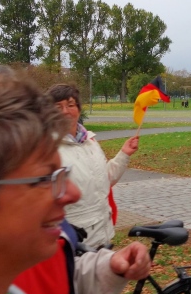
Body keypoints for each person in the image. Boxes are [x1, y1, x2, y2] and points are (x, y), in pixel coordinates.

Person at [0, 59, 151, 294]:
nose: (72, 193)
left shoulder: (45, 233)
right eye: (45, 178)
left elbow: (59, 279)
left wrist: (106, 268)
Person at [48, 84, 140, 249]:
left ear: (78, 109)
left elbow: (105, 179)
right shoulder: (46, 148)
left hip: (103, 232)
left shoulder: (89, 142)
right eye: (58, 107)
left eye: (70, 105)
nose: (65, 111)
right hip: (74, 240)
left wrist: (124, 154)